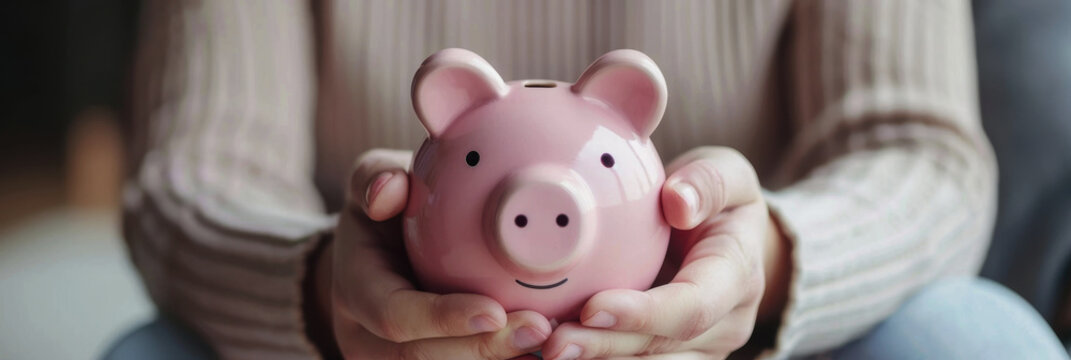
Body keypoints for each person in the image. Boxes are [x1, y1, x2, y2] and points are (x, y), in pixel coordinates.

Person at [115, 0, 1066, 359]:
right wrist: (325, 290)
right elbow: (190, 176)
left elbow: (920, 155)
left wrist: (764, 263)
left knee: (971, 339)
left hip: (738, 347)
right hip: (382, 347)